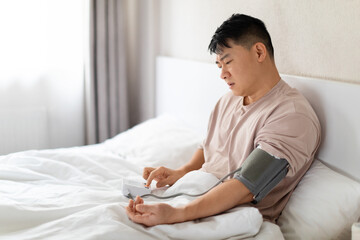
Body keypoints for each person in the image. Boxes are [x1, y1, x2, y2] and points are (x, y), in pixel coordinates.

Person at [126, 13, 321, 227]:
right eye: (219, 65)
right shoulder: (228, 101)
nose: (222, 74)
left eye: (227, 62)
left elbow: (247, 185)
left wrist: (176, 213)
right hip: (196, 195)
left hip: (231, 213)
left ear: (258, 52)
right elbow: (209, 149)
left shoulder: (291, 115)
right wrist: (181, 172)